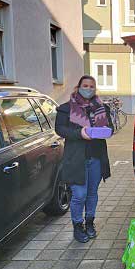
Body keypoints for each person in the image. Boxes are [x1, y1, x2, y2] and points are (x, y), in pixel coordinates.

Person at [55, 76, 112, 243]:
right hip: (76, 159)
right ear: (78, 87)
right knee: (79, 194)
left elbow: (110, 128)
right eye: (85, 85)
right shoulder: (66, 109)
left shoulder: (102, 108)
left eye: (91, 86)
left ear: (95, 89)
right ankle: (78, 226)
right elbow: (60, 129)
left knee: (92, 193)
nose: (88, 89)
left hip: (96, 157)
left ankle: (90, 222)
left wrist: (104, 131)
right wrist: (79, 133)